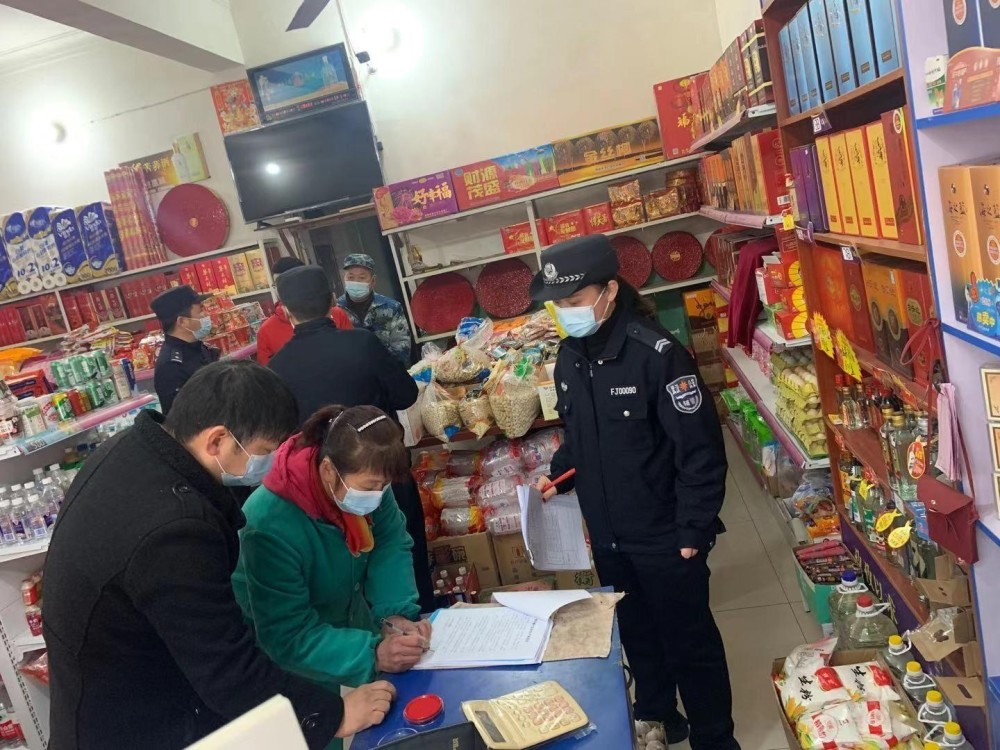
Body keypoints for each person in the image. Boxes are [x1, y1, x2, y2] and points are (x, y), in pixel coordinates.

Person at [43, 361, 396, 749]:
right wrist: (334, 715)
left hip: (111, 692)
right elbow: (226, 668)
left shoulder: (132, 450)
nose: (271, 461)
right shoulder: (176, 532)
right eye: (264, 451)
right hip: (134, 725)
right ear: (216, 441)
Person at [529, 235, 738, 750]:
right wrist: (557, 475)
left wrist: (693, 530)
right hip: (609, 534)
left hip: (665, 534)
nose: (565, 313)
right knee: (637, 635)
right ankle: (659, 716)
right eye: (558, 304)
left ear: (610, 291)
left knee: (689, 644)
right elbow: (581, 438)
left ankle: (714, 738)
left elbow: (700, 451)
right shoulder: (570, 358)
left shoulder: (657, 355)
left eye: (574, 301)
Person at [232, 404, 429, 747]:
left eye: (384, 486)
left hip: (345, 619)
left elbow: (389, 543)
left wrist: (395, 615)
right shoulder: (267, 524)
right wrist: (372, 653)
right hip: (283, 652)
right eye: (370, 486)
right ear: (327, 470)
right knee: (319, 728)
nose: (377, 495)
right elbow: (287, 634)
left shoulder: (367, 485)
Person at [268, 265, 434, 612]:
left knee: (347, 575)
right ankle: (420, 622)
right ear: (333, 300)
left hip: (323, 490)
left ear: (285, 310)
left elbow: (282, 435)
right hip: (382, 472)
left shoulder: (278, 367)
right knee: (401, 554)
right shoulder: (362, 343)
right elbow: (405, 394)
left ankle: (370, 635)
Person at [256, 257, 354, 365]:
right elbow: (268, 373)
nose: (283, 289)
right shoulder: (266, 331)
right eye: (277, 284)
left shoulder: (337, 314)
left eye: (290, 283)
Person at [150, 284, 220, 415]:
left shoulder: (199, 347)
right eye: (200, 312)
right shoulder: (171, 366)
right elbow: (181, 417)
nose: (206, 315)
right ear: (182, 321)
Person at [337, 253, 412, 366]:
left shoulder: (392, 308)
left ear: (373, 281)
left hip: (387, 373)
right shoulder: (335, 310)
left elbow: (403, 349)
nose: (356, 282)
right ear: (344, 279)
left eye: (362, 277)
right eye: (350, 277)